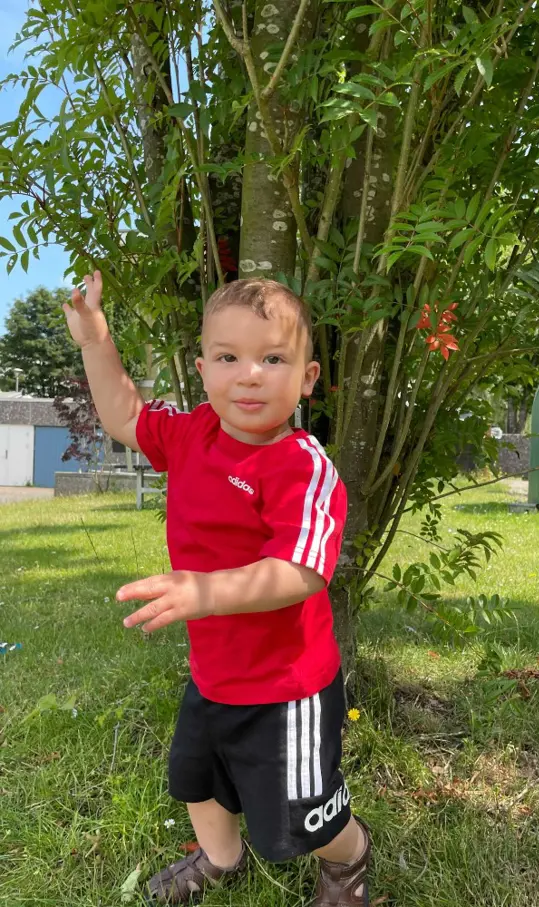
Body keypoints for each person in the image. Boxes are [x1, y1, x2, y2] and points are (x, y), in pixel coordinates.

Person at [63, 272, 371, 906]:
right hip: (214, 672)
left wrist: (205, 592)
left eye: (273, 359)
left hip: (288, 688)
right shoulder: (193, 435)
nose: (249, 374)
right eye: (229, 358)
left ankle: (349, 861)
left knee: (307, 816)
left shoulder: (301, 466)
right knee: (195, 780)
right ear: (203, 370)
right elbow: (124, 414)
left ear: (307, 378)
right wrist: (95, 338)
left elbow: (303, 570)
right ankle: (220, 858)